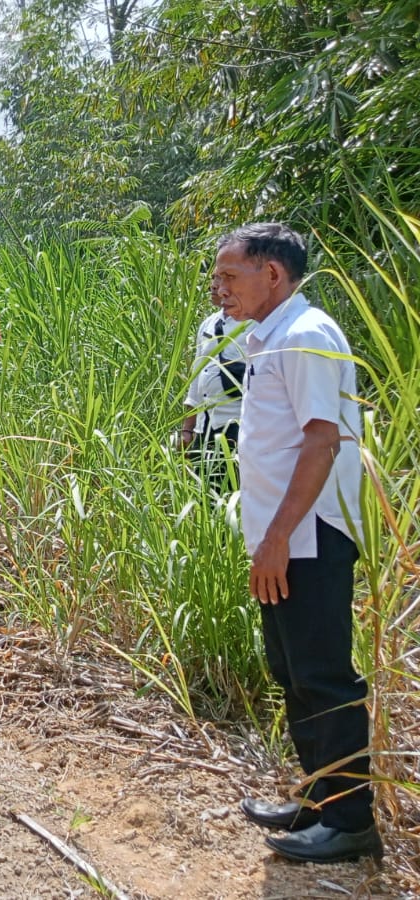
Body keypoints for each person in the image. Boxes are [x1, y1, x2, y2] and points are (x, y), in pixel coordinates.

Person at [215, 223, 378, 863]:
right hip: (282, 536)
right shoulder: (273, 335)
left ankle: (350, 823)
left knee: (323, 674)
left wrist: (279, 536)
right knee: (292, 672)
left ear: (273, 274)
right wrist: (268, 536)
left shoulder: (307, 336)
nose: (219, 287)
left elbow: (322, 441)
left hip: (309, 536)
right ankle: (319, 800)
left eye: (231, 275)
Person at [177, 274, 249, 493]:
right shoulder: (209, 324)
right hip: (206, 427)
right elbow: (197, 380)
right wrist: (188, 430)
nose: (214, 285)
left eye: (222, 278)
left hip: (240, 427)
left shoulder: (256, 326)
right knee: (206, 497)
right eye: (214, 278)